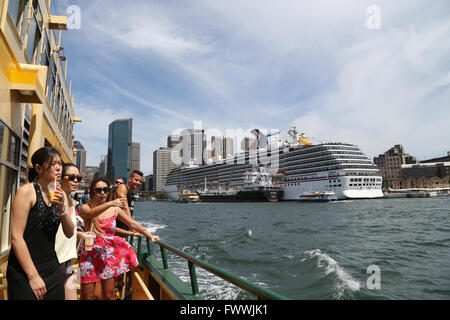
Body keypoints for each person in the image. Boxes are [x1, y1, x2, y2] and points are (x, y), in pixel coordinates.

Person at [6, 147, 74, 300]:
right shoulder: (27, 192)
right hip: (24, 269)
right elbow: (16, 237)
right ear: (38, 168)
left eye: (60, 163)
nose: (58, 168)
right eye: (52, 164)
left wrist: (62, 208)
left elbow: (69, 233)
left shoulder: (61, 193)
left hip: (51, 266)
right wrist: (33, 276)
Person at [79, 178, 159, 300]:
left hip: (107, 256)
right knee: (87, 296)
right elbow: (90, 214)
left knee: (109, 295)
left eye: (105, 190)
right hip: (89, 255)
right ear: (92, 192)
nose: (102, 193)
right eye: (98, 190)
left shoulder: (115, 210)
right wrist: (110, 203)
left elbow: (132, 223)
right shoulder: (86, 207)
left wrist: (150, 235)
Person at [54, 163, 83, 300]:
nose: (76, 181)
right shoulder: (54, 198)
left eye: (78, 178)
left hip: (71, 262)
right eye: (72, 177)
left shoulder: (71, 200)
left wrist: (81, 234)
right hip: (55, 262)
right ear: (60, 178)